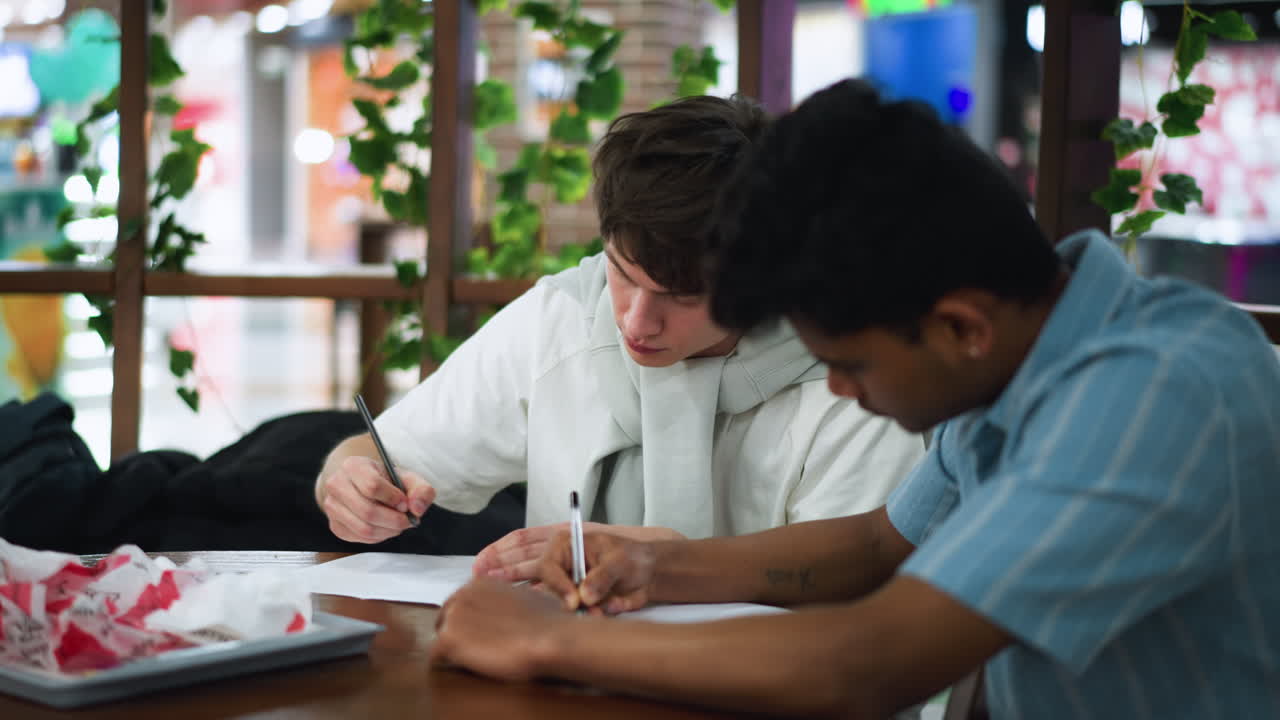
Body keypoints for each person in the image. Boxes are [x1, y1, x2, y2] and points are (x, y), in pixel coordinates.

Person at [428, 79, 1280, 718]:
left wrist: (550, 638)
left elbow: (867, 665)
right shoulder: (1029, 353)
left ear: (959, 327)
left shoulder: (1156, 398)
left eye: (849, 362)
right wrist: (651, 566)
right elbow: (881, 543)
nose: (836, 387)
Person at [314, 94, 924, 579]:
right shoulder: (567, 316)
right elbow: (378, 454)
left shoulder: (853, 386)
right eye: (624, 274)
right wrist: (351, 485)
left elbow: (852, 629)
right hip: (561, 668)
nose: (634, 322)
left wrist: (672, 566)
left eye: (683, 296)